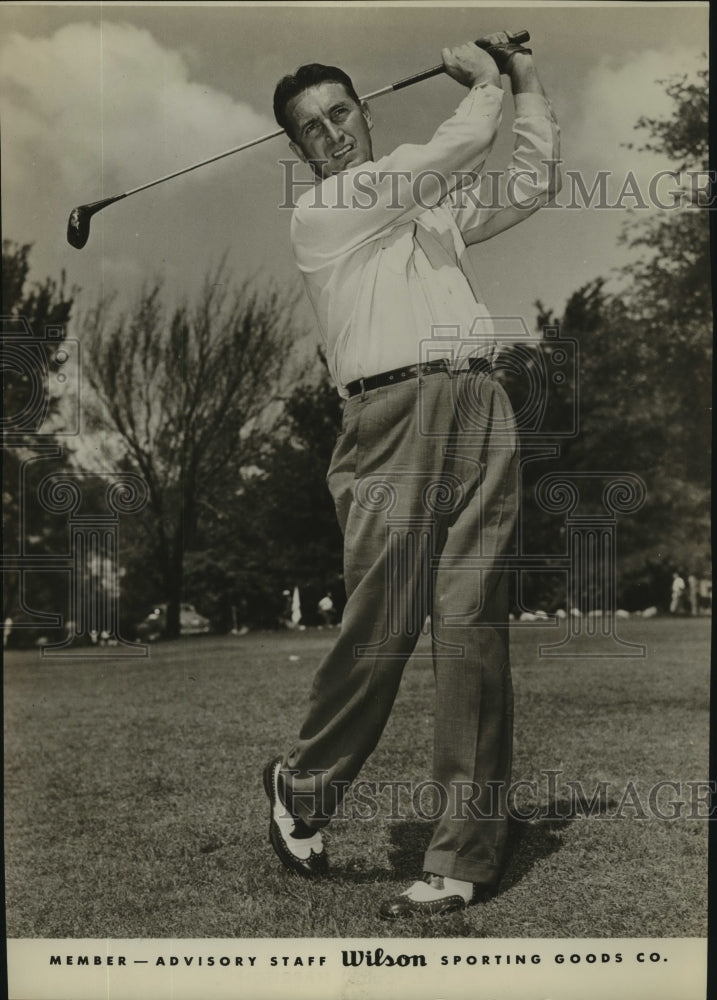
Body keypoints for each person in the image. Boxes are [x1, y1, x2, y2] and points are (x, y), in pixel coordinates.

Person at [263, 34, 561, 918]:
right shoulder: (325, 211)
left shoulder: (427, 206)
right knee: (382, 629)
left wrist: (525, 81)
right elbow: (457, 145)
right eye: (312, 129)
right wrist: (483, 81)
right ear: (299, 150)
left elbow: (533, 180)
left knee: (471, 630)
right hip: (388, 421)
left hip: (479, 402)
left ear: (365, 111)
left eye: (341, 114)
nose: (332, 135)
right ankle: (303, 787)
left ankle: (460, 857)